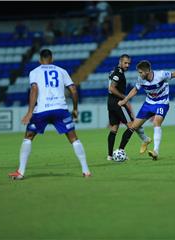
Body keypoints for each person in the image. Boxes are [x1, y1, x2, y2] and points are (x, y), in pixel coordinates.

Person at [8, 49, 91, 180]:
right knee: (73, 138)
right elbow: (74, 90)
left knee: (28, 136)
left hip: (42, 110)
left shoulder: (34, 72)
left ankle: (21, 171)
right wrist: (75, 109)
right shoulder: (62, 71)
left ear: (40, 60)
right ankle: (86, 171)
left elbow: (34, 89)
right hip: (60, 109)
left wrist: (30, 112)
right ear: (52, 59)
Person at [117, 60, 175, 160]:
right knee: (133, 126)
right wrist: (125, 100)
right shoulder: (141, 78)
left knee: (156, 122)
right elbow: (135, 89)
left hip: (162, 103)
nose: (139, 74)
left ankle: (156, 151)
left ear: (148, 71)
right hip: (149, 103)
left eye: (140, 72)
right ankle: (123, 149)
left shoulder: (160, 75)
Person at [107, 54, 151, 161]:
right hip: (119, 103)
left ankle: (110, 155)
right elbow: (112, 88)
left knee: (114, 128)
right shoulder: (119, 73)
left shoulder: (114, 71)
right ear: (120, 62)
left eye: (129, 63)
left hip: (110, 102)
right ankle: (120, 152)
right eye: (125, 63)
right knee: (132, 125)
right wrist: (125, 99)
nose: (127, 65)